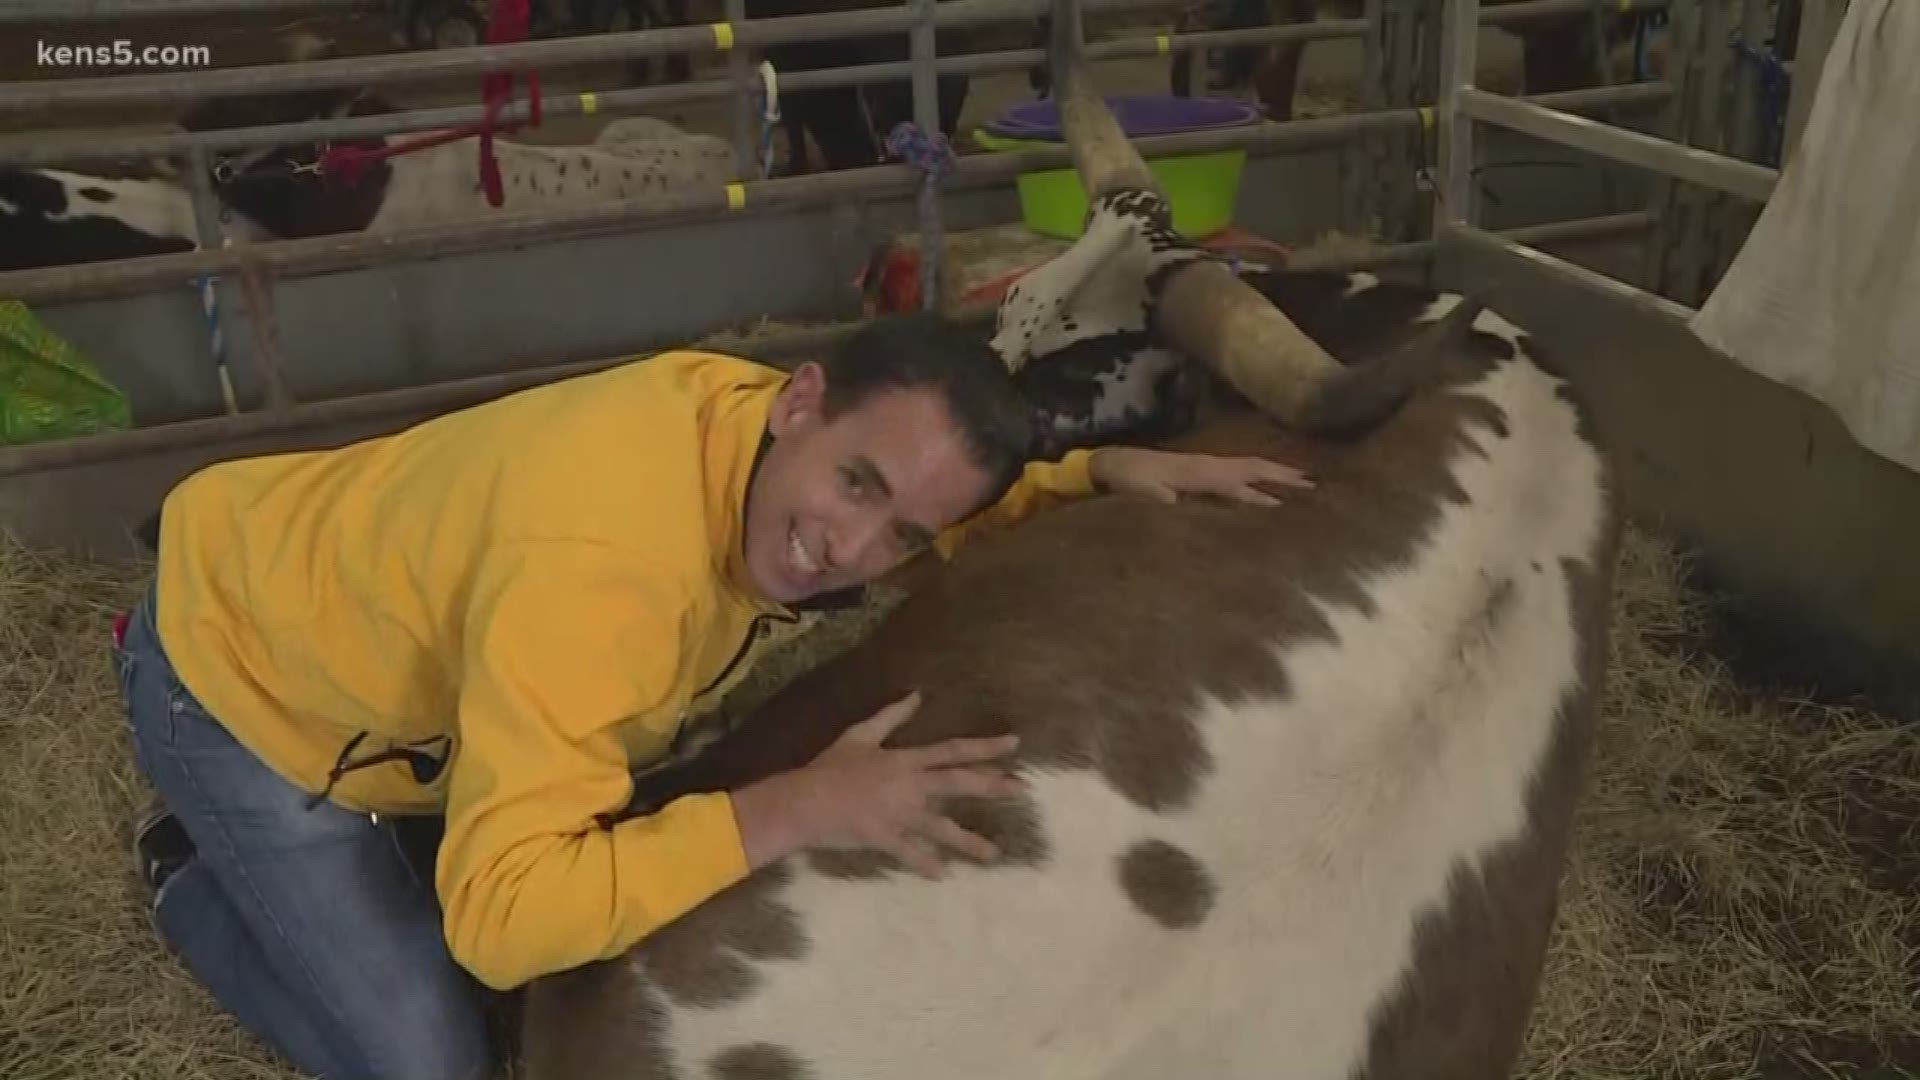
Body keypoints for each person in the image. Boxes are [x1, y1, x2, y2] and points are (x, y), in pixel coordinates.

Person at [110, 312, 1310, 1080]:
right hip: (241, 682)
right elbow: (503, 919)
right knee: (439, 1059)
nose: (845, 548)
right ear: (800, 401)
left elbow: (920, 489)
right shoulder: (604, 581)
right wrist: (796, 808)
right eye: (853, 483)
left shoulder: (747, 429)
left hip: (361, 625)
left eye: (899, 532)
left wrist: (1092, 472)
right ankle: (190, 875)